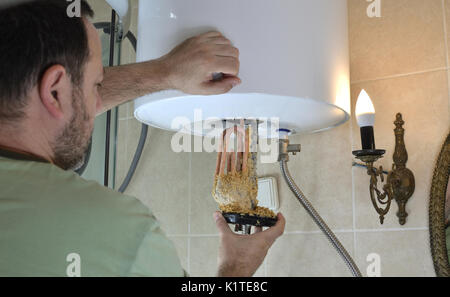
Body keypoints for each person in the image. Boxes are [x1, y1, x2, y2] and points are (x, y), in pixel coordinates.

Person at [0, 0, 285, 277]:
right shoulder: (114, 230)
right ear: (54, 92)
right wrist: (237, 267)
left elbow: (60, 94)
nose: (99, 106)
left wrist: (166, 71)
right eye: (96, 85)